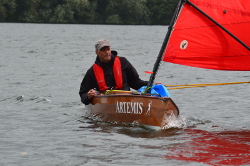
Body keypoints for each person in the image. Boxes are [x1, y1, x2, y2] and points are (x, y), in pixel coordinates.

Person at [79, 39, 148, 105]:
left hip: (125, 100)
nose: (106, 52)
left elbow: (135, 82)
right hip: (106, 103)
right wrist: (88, 96)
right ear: (97, 52)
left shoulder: (123, 62)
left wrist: (150, 84)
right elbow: (83, 93)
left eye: (108, 49)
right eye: (103, 50)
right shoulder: (92, 71)